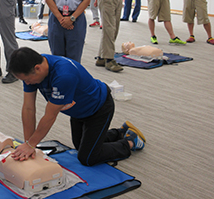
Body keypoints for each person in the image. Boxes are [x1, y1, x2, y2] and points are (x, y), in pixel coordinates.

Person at [8, 47, 146, 166]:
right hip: (78, 112)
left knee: (88, 157)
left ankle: (130, 141)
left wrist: (31, 145)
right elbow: (28, 108)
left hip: (99, 109)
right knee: (80, 146)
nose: (27, 83)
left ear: (37, 68)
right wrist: (28, 143)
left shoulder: (63, 75)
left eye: (26, 80)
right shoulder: (31, 69)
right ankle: (120, 132)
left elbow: (50, 116)